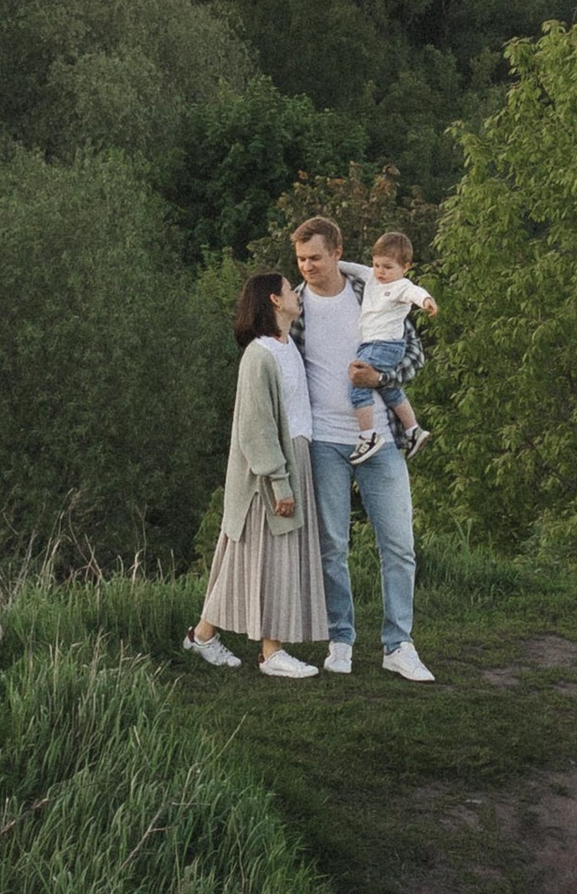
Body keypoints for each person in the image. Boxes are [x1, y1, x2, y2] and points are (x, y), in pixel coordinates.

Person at [293, 214, 433, 684]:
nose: (308, 266)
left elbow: (413, 352)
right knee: (333, 545)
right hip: (324, 443)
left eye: (316, 257)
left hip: (381, 442)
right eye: (301, 259)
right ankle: (341, 640)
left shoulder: (370, 291)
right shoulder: (294, 308)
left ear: (337, 253)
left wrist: (381, 380)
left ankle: (399, 645)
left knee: (399, 545)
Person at [187, 269, 323, 678]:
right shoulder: (259, 355)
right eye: (288, 289)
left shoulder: (286, 347)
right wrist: (279, 481)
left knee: (249, 557)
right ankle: (271, 652)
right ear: (274, 301)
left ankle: (202, 636)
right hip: (269, 470)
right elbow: (256, 427)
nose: (297, 293)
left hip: (295, 455)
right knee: (270, 554)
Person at [348, 229, 436, 463]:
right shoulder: (371, 277)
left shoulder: (401, 286)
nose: (380, 272)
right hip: (377, 344)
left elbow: (415, 292)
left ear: (405, 267)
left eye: (387, 267)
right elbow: (353, 268)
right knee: (390, 389)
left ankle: (368, 436)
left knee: (358, 382)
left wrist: (426, 301)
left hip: (383, 344)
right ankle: (413, 429)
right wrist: (332, 263)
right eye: (377, 265)